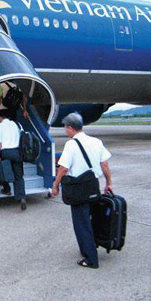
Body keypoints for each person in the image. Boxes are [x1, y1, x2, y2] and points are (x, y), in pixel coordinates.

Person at [51, 112, 113, 269]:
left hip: (79, 190)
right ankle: (88, 247)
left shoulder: (71, 145)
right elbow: (104, 165)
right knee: (92, 221)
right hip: (94, 186)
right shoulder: (96, 141)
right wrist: (109, 183)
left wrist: (55, 185)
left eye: (66, 128)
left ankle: (91, 259)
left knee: (82, 224)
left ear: (71, 128)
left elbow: (63, 168)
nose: (66, 131)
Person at [0, 109, 27, 210]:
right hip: (16, 152)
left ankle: (7, 189)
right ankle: (21, 197)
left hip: (5, 152)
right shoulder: (15, 124)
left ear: (0, 117)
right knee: (19, 175)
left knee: (2, 171)